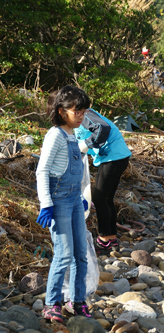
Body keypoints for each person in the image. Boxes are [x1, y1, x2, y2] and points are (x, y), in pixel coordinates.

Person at [36, 86, 92, 322]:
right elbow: (42, 171)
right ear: (61, 111)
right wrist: (46, 204)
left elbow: (74, 163)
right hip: (58, 202)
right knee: (63, 254)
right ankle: (51, 303)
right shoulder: (55, 135)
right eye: (76, 111)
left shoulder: (72, 134)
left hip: (74, 200)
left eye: (83, 111)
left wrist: (80, 196)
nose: (81, 115)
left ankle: (77, 301)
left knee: (81, 254)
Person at [75, 108, 132, 256]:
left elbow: (102, 128)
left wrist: (87, 143)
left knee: (100, 198)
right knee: (106, 199)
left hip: (114, 157)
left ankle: (104, 240)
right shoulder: (72, 122)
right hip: (114, 157)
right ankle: (111, 238)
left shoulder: (85, 114)